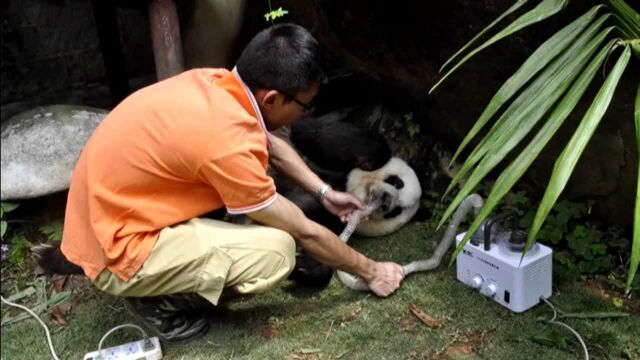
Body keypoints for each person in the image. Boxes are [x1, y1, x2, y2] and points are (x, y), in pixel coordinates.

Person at [60, 23, 404, 342]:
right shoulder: (226, 141)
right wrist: (371, 271)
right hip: (117, 251)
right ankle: (159, 301)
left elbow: (269, 143)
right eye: (305, 105)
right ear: (271, 98)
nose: (307, 114)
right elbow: (305, 231)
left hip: (103, 218)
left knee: (251, 215)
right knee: (277, 253)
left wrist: (324, 192)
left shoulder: (215, 82)